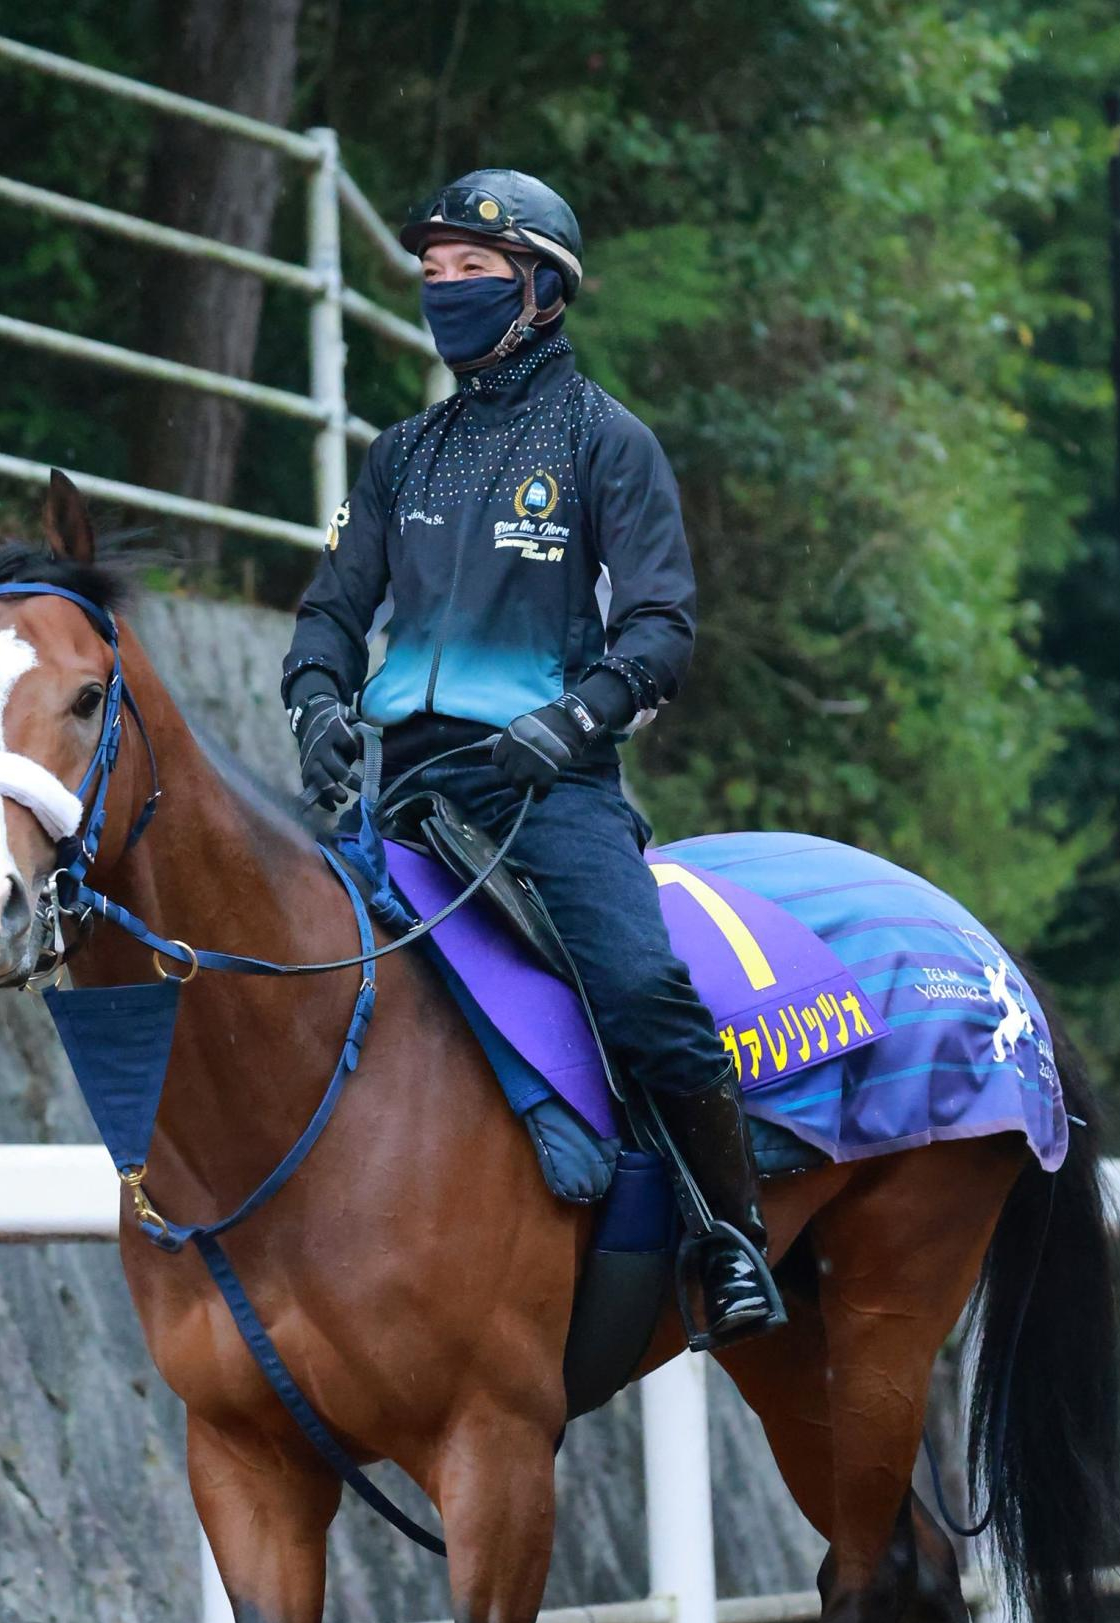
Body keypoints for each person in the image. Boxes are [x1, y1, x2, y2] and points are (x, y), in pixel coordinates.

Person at [280, 168, 776, 1345]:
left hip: (544, 788)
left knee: (643, 992)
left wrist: (575, 719)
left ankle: (730, 1233)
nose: (443, 291)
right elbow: (329, 613)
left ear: (541, 290)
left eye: (473, 272)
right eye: (431, 273)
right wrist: (315, 704)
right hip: (401, 787)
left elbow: (659, 627)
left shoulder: (608, 443)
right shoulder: (400, 453)